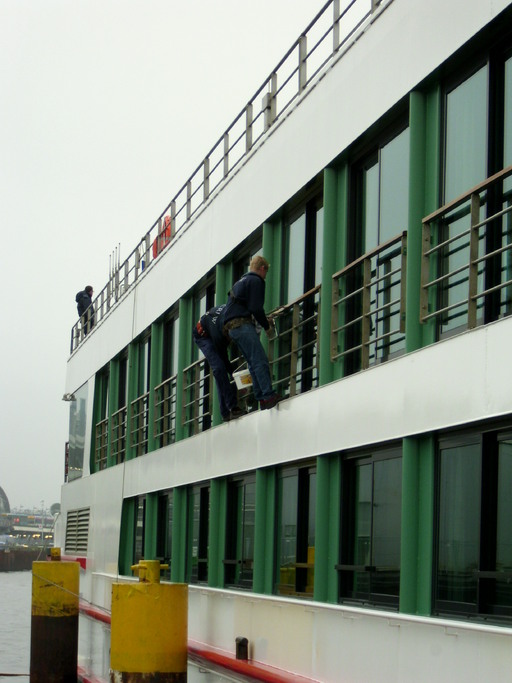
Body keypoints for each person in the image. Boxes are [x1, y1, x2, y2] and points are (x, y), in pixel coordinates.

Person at [223, 256, 281, 410]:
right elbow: (255, 308)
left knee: (253, 362)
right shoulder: (256, 281)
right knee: (260, 360)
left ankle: (261, 398)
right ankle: (268, 396)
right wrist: (266, 326)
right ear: (262, 268)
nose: (265, 276)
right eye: (265, 272)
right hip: (242, 324)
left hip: (232, 328)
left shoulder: (240, 282)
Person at [193, 304, 245, 422]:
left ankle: (225, 411)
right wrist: (237, 378)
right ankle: (232, 408)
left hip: (212, 326)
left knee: (222, 371)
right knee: (219, 368)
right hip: (203, 336)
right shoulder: (218, 336)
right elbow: (225, 361)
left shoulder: (234, 312)